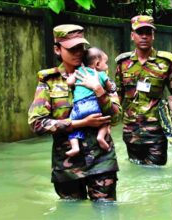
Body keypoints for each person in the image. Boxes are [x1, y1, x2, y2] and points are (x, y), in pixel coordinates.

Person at [28, 24, 121, 201]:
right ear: (57, 49)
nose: (78, 52)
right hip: (67, 164)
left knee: (106, 212)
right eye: (71, 48)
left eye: (80, 47)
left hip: (102, 159)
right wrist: (80, 123)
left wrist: (99, 91)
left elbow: (117, 117)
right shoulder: (49, 81)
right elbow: (37, 123)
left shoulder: (98, 74)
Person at [115, 15, 172, 166]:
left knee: (156, 172)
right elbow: (118, 94)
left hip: (157, 131)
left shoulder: (165, 62)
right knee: (136, 171)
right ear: (132, 35)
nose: (144, 36)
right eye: (140, 32)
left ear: (153, 36)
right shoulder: (123, 63)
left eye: (148, 32)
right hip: (131, 131)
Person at [65, 47, 114, 157]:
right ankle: (101, 137)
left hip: (78, 107)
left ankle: (75, 147)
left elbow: (69, 82)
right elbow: (110, 87)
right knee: (105, 120)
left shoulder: (79, 71)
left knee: (72, 127)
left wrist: (71, 76)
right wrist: (107, 88)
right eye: (105, 63)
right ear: (97, 64)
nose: (107, 66)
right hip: (93, 104)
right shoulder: (101, 74)